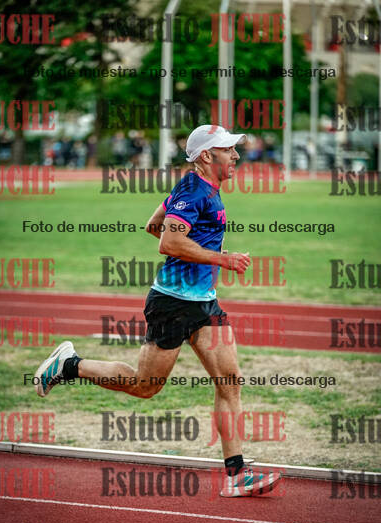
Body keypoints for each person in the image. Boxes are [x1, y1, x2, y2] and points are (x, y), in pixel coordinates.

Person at [34, 124, 282, 498]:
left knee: (230, 380)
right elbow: (166, 241)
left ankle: (236, 473)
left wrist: (194, 255)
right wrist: (220, 258)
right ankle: (69, 365)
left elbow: (154, 225)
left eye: (235, 149)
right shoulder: (194, 191)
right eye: (228, 149)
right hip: (172, 304)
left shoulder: (200, 187)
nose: (235, 155)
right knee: (145, 386)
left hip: (204, 302)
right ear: (206, 156)